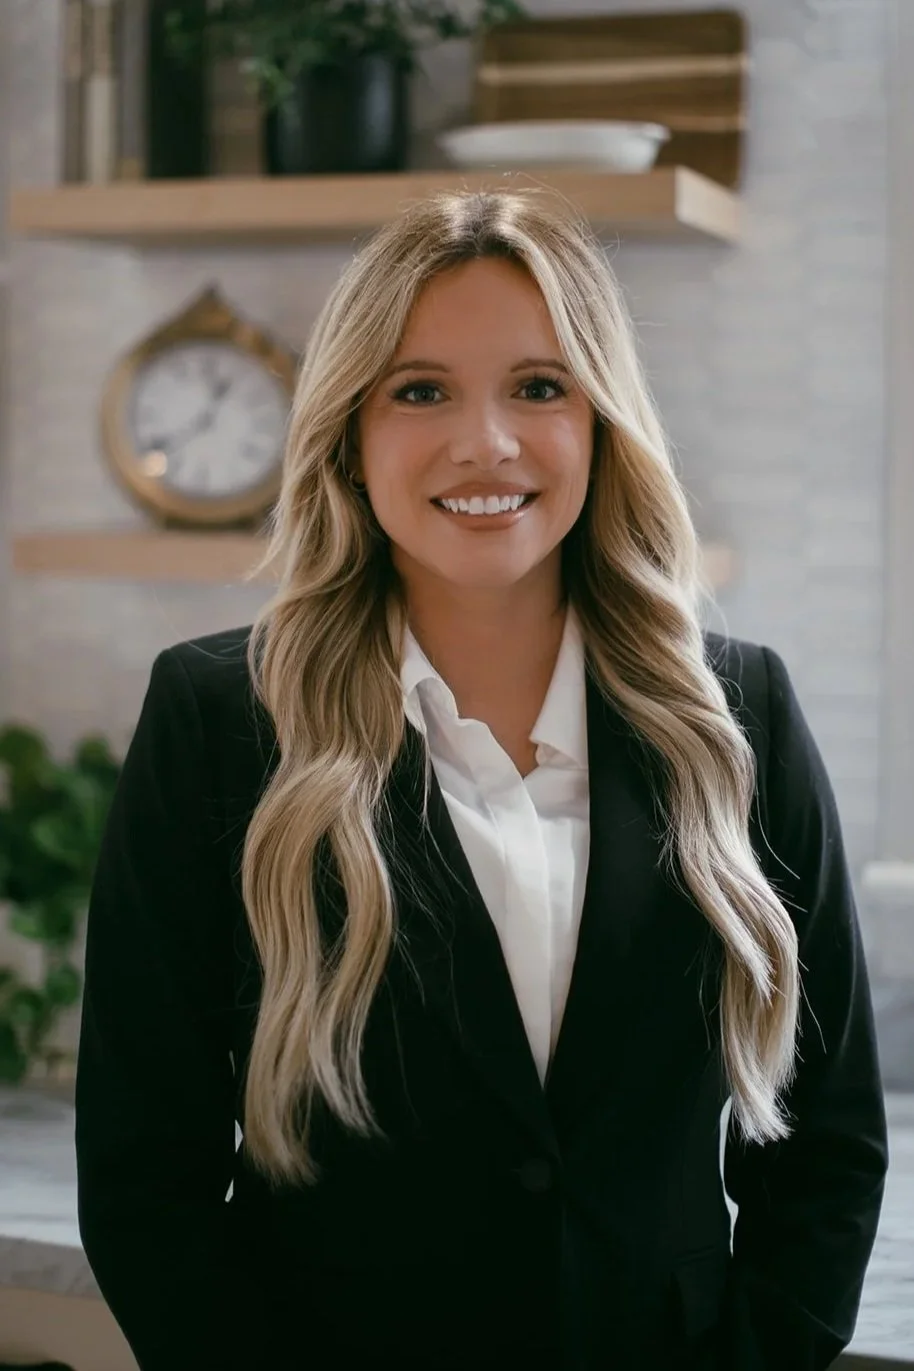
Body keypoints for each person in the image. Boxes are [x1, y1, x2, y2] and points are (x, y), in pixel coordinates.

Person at [75, 189, 888, 1371]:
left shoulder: (736, 713)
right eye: (420, 391)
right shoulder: (218, 722)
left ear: (602, 423)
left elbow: (827, 1145)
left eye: (538, 387)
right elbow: (147, 1170)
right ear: (350, 431)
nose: (486, 443)